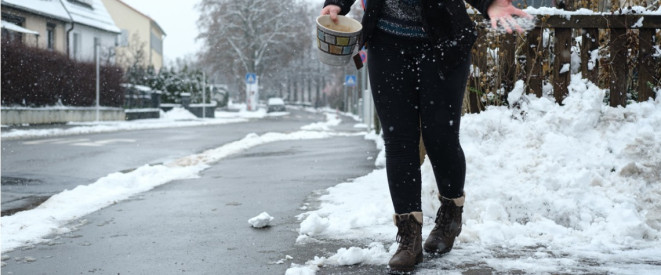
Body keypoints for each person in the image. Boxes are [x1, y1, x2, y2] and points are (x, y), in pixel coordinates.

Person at [320, 0, 530, 273]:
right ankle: (409, 237)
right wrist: (335, 4)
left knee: (440, 137)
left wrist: (489, 4)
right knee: (398, 142)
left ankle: (450, 216)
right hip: (387, 44)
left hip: (442, 43)